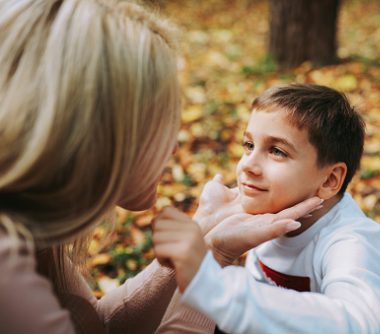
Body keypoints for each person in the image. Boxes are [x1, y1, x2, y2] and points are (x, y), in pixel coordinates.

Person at [0, 1, 321, 333]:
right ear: (99, 132)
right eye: (161, 122)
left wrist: (202, 234)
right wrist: (210, 264)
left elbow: (96, 326)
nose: (174, 147)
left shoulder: (30, 230)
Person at [154, 84, 380, 333]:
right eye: (249, 145)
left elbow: (356, 324)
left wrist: (216, 286)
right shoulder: (270, 212)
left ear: (329, 180)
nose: (248, 165)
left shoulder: (353, 241)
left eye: (276, 151)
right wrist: (208, 224)